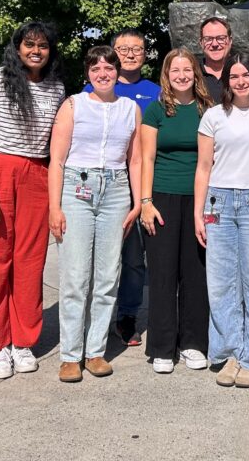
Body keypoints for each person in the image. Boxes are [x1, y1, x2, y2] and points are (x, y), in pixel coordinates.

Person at [0, 21, 66, 379]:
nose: (36, 51)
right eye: (29, 44)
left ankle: (22, 341)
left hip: (36, 175)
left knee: (29, 261)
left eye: (43, 45)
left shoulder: (56, 87)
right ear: (17, 47)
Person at [49, 45, 142, 382]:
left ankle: (95, 351)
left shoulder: (130, 109)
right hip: (77, 187)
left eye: (109, 67)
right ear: (88, 73)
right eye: (95, 68)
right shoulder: (73, 105)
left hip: (116, 189)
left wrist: (137, 202)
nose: (103, 73)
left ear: (118, 72)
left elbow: (135, 159)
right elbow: (56, 160)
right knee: (75, 277)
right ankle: (70, 355)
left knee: (107, 276)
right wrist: (54, 207)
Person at [194, 51, 249, 388]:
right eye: (234, 76)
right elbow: (203, 168)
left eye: (246, 75)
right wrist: (199, 213)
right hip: (219, 201)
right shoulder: (214, 116)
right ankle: (229, 351)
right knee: (221, 282)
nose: (241, 81)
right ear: (226, 80)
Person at [84, 29, 160, 347]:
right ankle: (91, 318)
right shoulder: (93, 88)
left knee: (133, 257)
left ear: (145, 54)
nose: (130, 54)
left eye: (137, 49)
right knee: (95, 257)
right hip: (102, 184)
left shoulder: (155, 90)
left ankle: (126, 314)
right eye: (123, 48)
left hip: (141, 183)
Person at [140, 48, 213, 373]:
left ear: (195, 74)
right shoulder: (156, 110)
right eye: (175, 71)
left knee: (196, 273)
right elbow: (147, 159)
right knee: (162, 273)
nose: (182, 75)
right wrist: (145, 202)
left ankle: (193, 343)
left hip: (199, 199)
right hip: (162, 199)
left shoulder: (207, 109)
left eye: (187, 70)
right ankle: (161, 346)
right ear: (166, 76)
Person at [198, 17, 232, 103]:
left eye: (221, 38)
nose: (214, 44)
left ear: (230, 41)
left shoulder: (243, 72)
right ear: (201, 43)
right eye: (208, 39)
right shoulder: (192, 73)